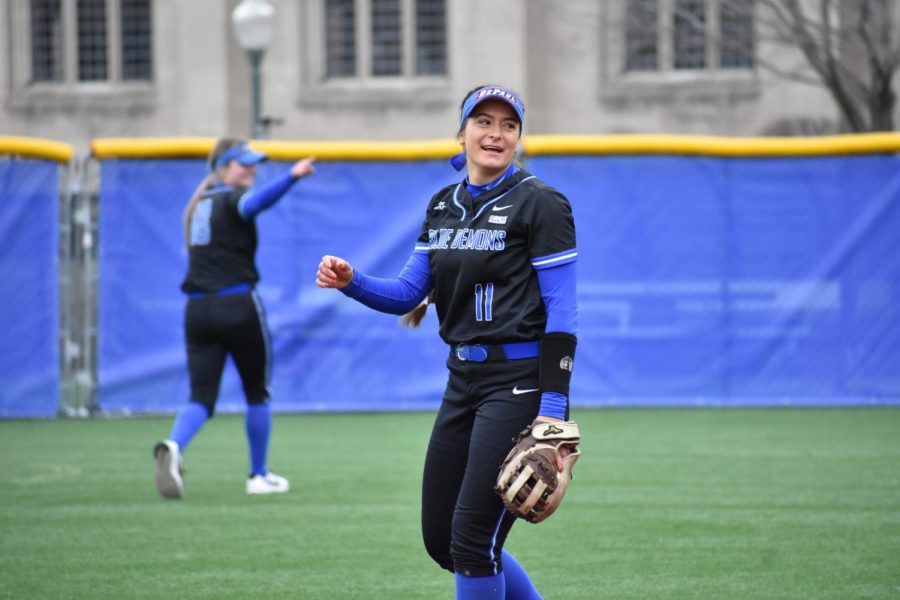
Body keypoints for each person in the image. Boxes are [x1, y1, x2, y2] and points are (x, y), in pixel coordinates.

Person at [316, 84, 578, 599]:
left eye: (508, 125)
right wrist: (352, 281)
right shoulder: (444, 204)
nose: (495, 133)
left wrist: (552, 407)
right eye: (483, 121)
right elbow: (409, 293)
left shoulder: (541, 204)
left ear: (519, 137)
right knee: (444, 541)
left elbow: (563, 312)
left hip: (519, 385)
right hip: (463, 381)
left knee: (472, 539)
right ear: (461, 133)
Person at [154, 137, 315, 499]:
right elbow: (255, 204)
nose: (252, 170)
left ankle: (174, 445)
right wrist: (292, 176)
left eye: (253, 163)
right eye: (244, 164)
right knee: (257, 393)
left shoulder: (198, 205)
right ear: (223, 168)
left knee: (200, 396)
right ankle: (258, 475)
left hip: (197, 311)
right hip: (237, 307)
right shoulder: (232, 197)